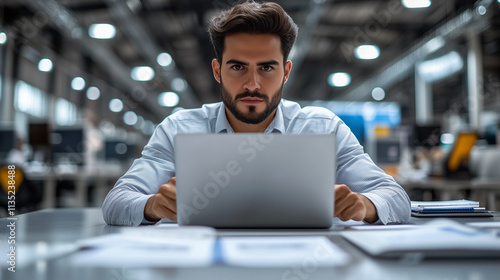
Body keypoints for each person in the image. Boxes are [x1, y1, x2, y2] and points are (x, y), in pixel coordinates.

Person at [102, 0, 411, 226]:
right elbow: (116, 201)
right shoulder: (178, 129)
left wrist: (363, 205)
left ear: (286, 72)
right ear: (217, 70)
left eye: (266, 68)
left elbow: (396, 198)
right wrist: (152, 205)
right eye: (237, 67)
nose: (252, 83)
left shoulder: (324, 128)